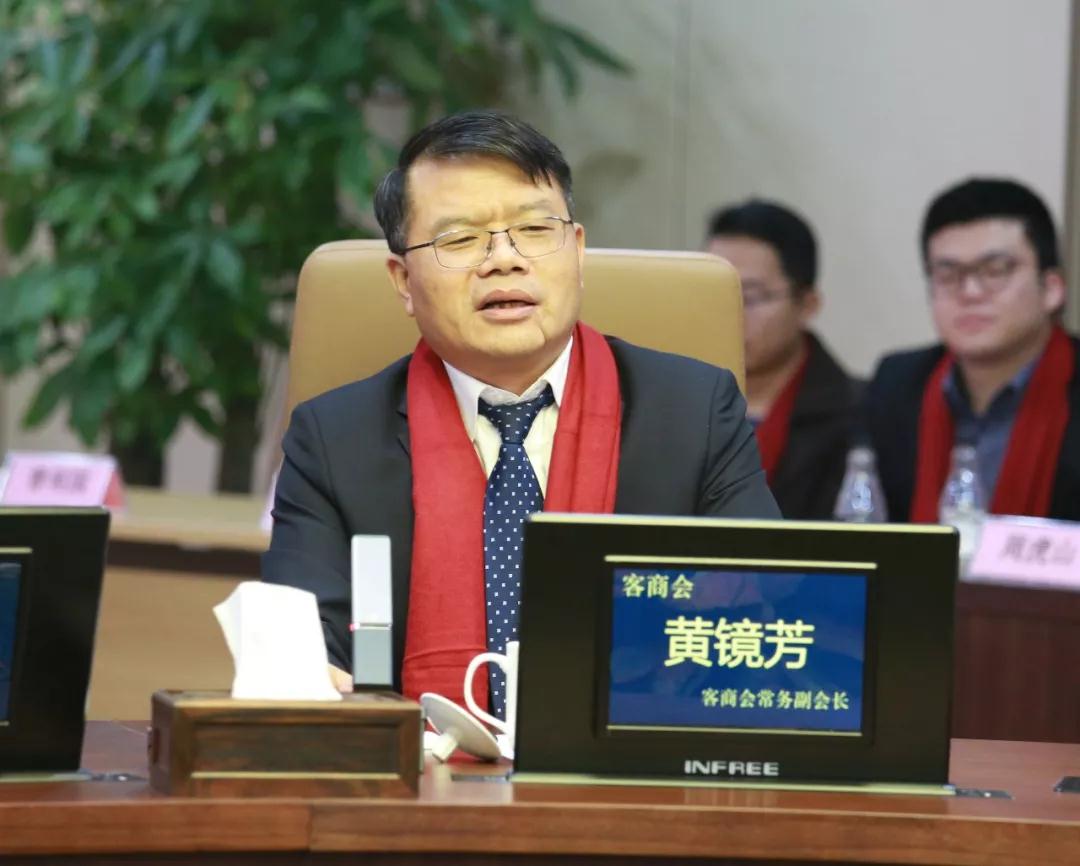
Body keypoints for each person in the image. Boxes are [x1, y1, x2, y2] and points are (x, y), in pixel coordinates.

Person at [263, 111, 779, 709]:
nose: (504, 260)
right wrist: (313, 677)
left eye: (535, 230)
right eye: (460, 240)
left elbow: (761, 620)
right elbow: (307, 646)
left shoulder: (693, 413)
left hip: (635, 755)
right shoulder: (333, 440)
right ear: (403, 281)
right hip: (417, 764)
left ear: (577, 250)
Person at [864, 177, 1080, 523]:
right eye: (948, 275)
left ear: (1052, 288)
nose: (970, 292)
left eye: (996, 270)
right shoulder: (898, 384)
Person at [707, 200, 861, 519]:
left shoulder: (861, 414)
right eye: (713, 294)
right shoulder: (671, 402)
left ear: (807, 304)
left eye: (749, 297)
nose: (728, 314)